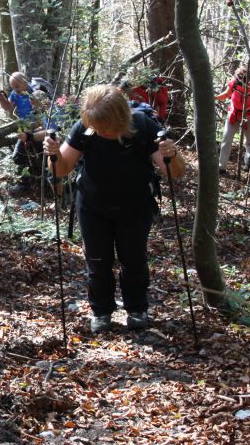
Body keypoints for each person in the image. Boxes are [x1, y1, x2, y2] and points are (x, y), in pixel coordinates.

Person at [43, 84, 184, 333]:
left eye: (104, 127)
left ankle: (137, 308)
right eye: (95, 126)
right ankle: (101, 311)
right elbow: (61, 169)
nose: (100, 131)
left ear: (120, 118)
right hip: (92, 205)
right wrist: (52, 154)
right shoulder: (85, 129)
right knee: (97, 260)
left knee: (134, 259)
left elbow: (174, 173)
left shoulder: (143, 126)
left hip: (135, 204)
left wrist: (172, 154)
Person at [0, 72, 47, 195]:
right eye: (13, 88)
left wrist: (34, 127)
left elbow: (45, 114)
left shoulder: (36, 92)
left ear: (25, 82)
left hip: (39, 130)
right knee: (19, 156)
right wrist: (2, 99)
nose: (16, 90)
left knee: (36, 156)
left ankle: (39, 186)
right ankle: (25, 185)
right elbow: (9, 108)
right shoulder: (15, 94)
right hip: (24, 129)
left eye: (17, 87)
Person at [215, 63, 250, 174]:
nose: (240, 77)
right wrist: (213, 97)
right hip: (234, 114)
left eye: (243, 74)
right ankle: (221, 166)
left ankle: (247, 164)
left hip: (249, 115)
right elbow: (226, 95)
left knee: (249, 141)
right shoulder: (234, 82)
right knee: (226, 138)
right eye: (239, 74)